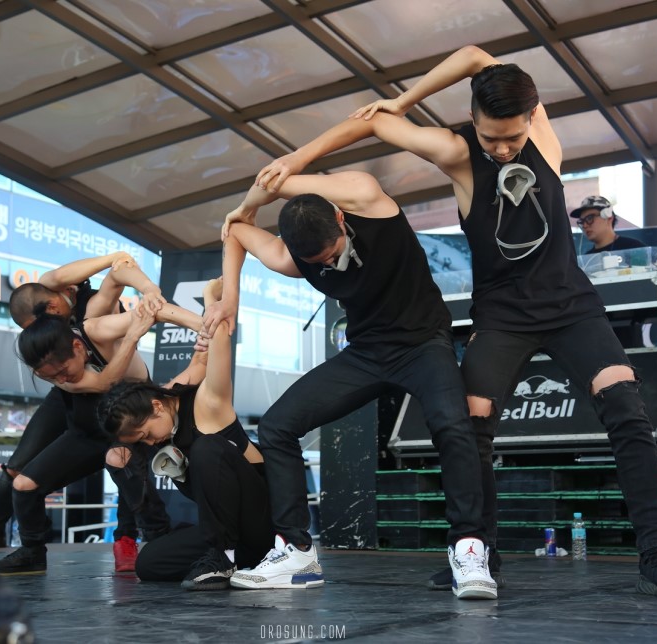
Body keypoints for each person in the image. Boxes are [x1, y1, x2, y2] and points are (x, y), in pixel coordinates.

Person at [251, 44, 657, 600]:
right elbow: (374, 122)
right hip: (503, 317)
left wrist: (414, 97)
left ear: (531, 117)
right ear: (472, 120)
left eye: (513, 136)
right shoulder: (459, 156)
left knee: (626, 409)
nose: (504, 148)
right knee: (472, 424)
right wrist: (307, 154)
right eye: (491, 138)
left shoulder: (543, 141)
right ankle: (479, 553)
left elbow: (476, 56)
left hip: (572, 309)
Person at [203, 170, 496, 599]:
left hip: (423, 344)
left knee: (453, 425)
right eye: (316, 262)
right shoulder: (292, 256)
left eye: (331, 254)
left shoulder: (367, 201)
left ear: (340, 219)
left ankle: (469, 548)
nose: (325, 264)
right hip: (366, 355)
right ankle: (296, 552)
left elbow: (274, 179)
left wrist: (248, 205)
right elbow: (235, 232)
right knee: (276, 426)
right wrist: (231, 296)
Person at [0, 253, 200, 574]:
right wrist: (132, 338)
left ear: (53, 308)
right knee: (21, 477)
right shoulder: (55, 368)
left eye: (39, 324)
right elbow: (100, 382)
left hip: (121, 405)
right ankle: (2, 545)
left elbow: (121, 271)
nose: (38, 331)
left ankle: (136, 539)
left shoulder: (91, 316)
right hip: (83, 410)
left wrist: (157, 296)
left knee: (122, 459)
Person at [98, 279, 274, 590]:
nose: (149, 443)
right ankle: (230, 555)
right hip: (228, 531)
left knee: (207, 448)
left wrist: (193, 302)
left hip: (260, 522)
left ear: (156, 407)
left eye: (145, 434)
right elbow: (200, 357)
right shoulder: (165, 404)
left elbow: (218, 335)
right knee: (149, 563)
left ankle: (224, 559)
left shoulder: (209, 403)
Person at [570, 196, 646, 254]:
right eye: (581, 221)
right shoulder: (587, 260)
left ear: (608, 217)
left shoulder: (634, 248)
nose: (585, 225)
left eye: (590, 218)